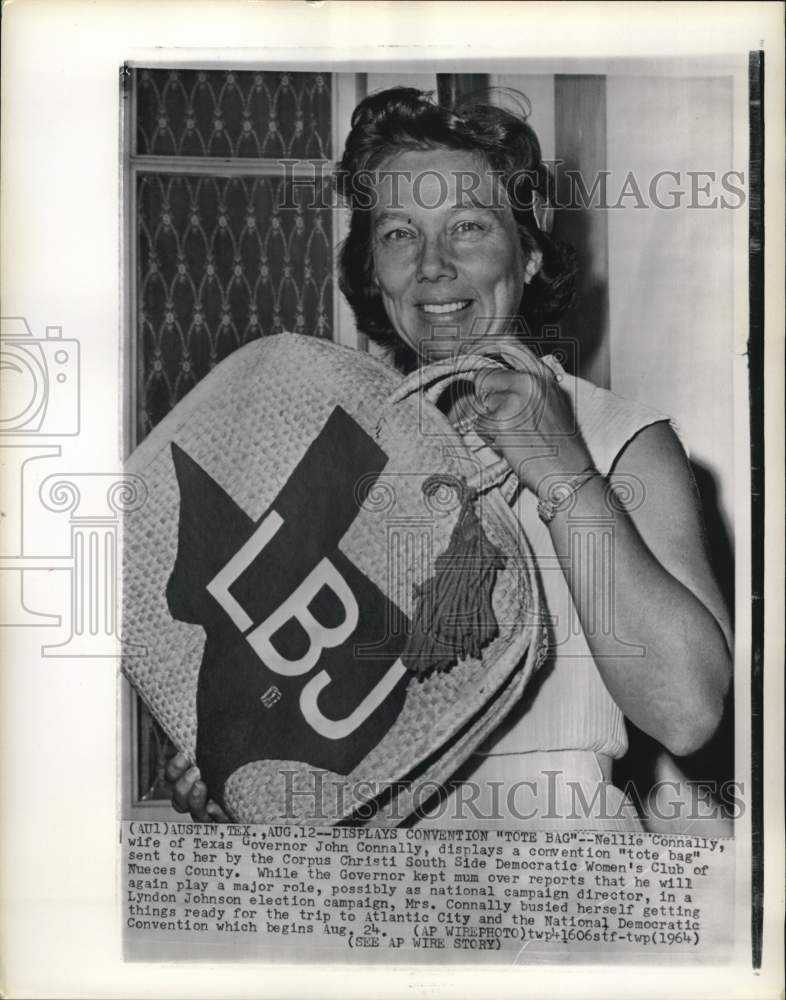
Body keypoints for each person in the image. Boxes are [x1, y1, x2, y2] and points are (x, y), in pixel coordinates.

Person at [166, 86, 732, 828]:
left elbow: (689, 713)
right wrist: (233, 768)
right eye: (400, 233)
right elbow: (311, 710)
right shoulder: (335, 453)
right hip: (376, 898)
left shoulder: (617, 439)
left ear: (527, 253)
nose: (433, 265)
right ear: (372, 269)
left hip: (550, 887)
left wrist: (562, 472)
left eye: (466, 226)